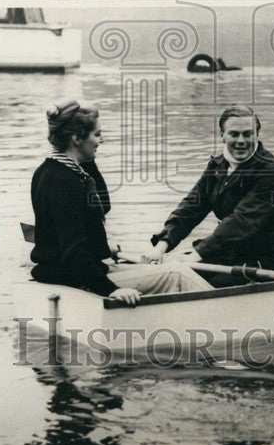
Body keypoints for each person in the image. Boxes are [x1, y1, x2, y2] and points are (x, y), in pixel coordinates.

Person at [30, 100, 212, 304]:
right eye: (97, 135)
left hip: (72, 270)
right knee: (177, 274)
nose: (102, 140)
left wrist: (85, 156)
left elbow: (102, 206)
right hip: (73, 275)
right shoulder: (66, 181)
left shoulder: (49, 171)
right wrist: (111, 290)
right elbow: (74, 253)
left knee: (158, 268)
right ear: (76, 138)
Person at [141, 104, 274, 280]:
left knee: (199, 280)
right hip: (229, 252)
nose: (241, 141)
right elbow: (191, 208)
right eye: (234, 134)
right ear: (222, 136)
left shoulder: (271, 173)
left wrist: (198, 253)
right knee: (169, 275)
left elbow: (242, 221)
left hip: (268, 257)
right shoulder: (217, 165)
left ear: (257, 135)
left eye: (248, 134)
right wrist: (162, 245)